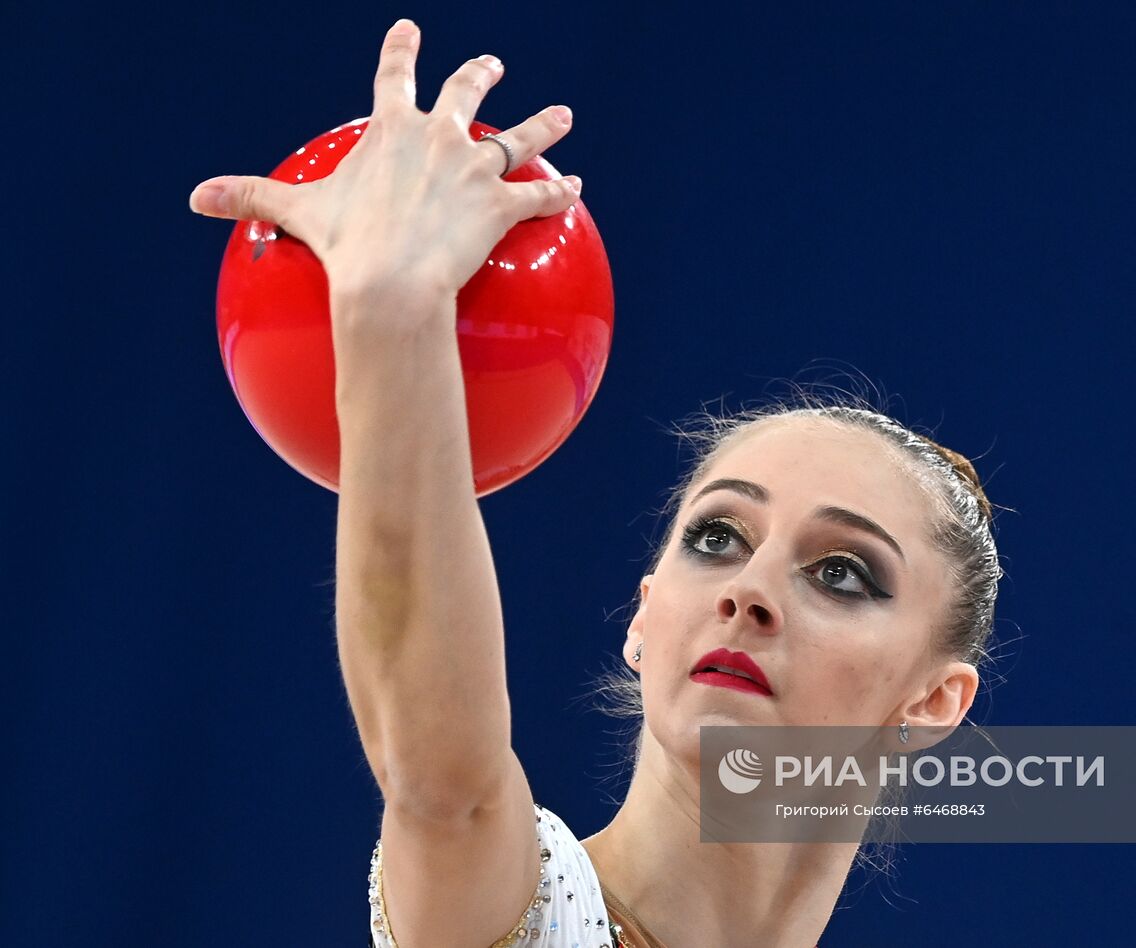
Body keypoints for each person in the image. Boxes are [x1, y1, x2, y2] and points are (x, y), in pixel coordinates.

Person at [189, 19, 1002, 947]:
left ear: (931, 703)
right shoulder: (523, 907)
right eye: (716, 537)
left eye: (842, 573)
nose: (749, 592)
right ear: (643, 617)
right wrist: (391, 308)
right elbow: (442, 790)